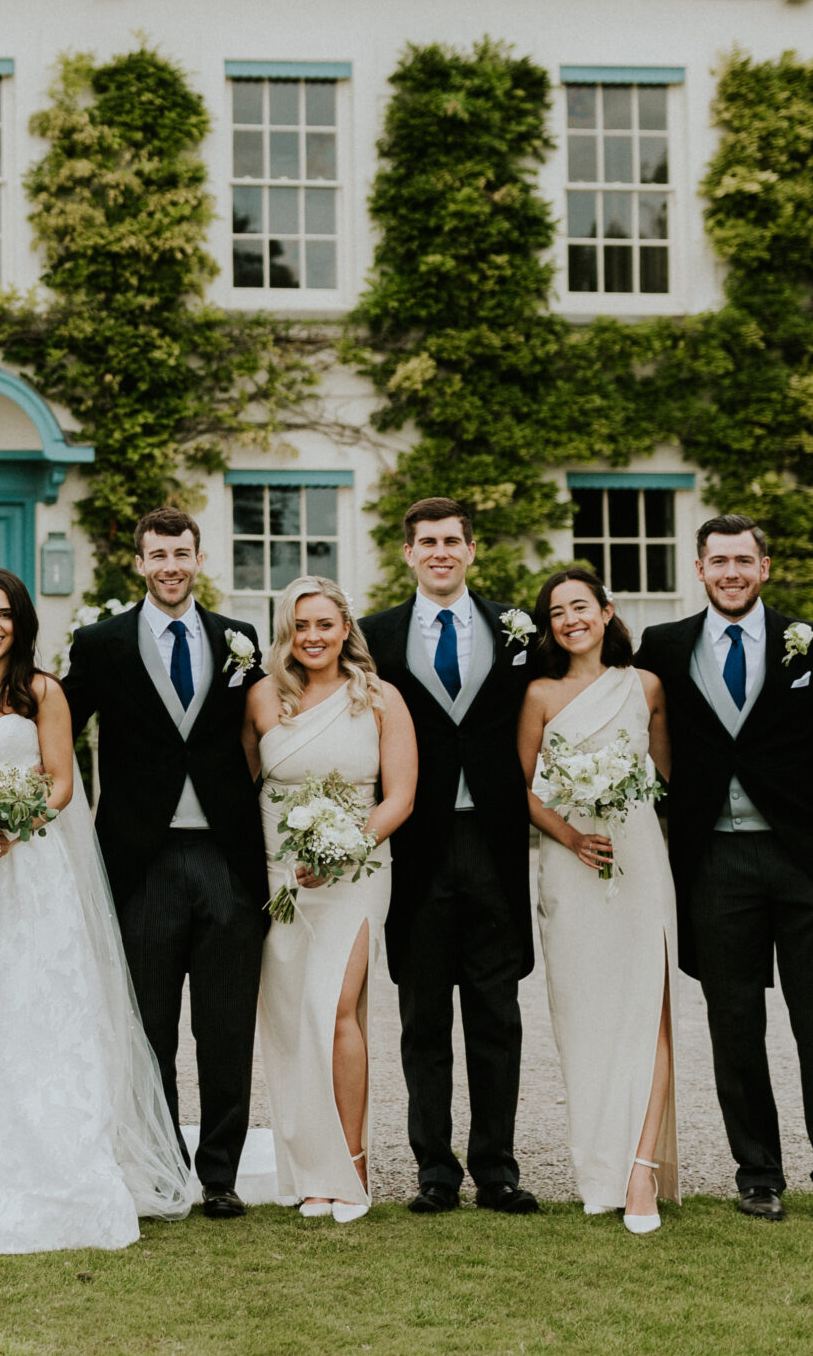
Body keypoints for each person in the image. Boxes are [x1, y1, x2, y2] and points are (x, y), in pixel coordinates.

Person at [0, 569, 190, 1254]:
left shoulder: (44, 693)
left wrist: (16, 819)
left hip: (28, 866)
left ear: (20, 621)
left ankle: (14, 1182)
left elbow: (61, 782)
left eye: (4, 613)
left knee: (27, 1013)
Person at [634, 515, 813, 1232]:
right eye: (719, 560)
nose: (732, 571)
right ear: (699, 567)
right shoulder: (665, 646)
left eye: (744, 559)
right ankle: (759, 1176)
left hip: (803, 856)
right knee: (734, 1022)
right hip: (713, 859)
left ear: (764, 567)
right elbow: (631, 731)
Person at [58, 507, 267, 1220]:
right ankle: (161, 1168)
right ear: (140, 564)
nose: (171, 564)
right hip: (140, 860)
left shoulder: (239, 642)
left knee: (226, 1023)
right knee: (150, 1027)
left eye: (182, 552)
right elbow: (56, 727)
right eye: (158, 554)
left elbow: (268, 731)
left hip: (225, 857)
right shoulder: (100, 643)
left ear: (197, 559)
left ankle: (219, 1176)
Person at [361, 497, 541, 1215]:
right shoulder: (373, 635)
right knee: (423, 1016)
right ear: (408, 553)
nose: (440, 551)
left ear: (471, 549)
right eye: (427, 541)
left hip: (496, 842)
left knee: (498, 1014)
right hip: (416, 846)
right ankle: (434, 1167)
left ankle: (496, 1166)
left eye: (452, 540)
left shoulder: (518, 630)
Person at [242, 576, 417, 1224]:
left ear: (346, 627)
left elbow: (398, 796)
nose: (312, 636)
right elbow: (243, 788)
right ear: (286, 633)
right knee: (290, 1026)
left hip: (356, 873)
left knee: (335, 1009)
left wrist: (342, 849)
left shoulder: (379, 698)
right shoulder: (264, 699)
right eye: (300, 625)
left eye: (324, 623)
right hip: (280, 880)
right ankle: (309, 1172)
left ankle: (352, 1166)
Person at [519, 565, 678, 1236]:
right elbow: (523, 788)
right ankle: (599, 1169)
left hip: (639, 858)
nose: (570, 619)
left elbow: (668, 776)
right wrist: (573, 834)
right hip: (571, 864)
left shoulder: (645, 686)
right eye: (557, 611)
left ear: (608, 610)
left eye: (580, 605)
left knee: (652, 1008)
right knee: (584, 1018)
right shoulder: (540, 694)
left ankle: (641, 1169)